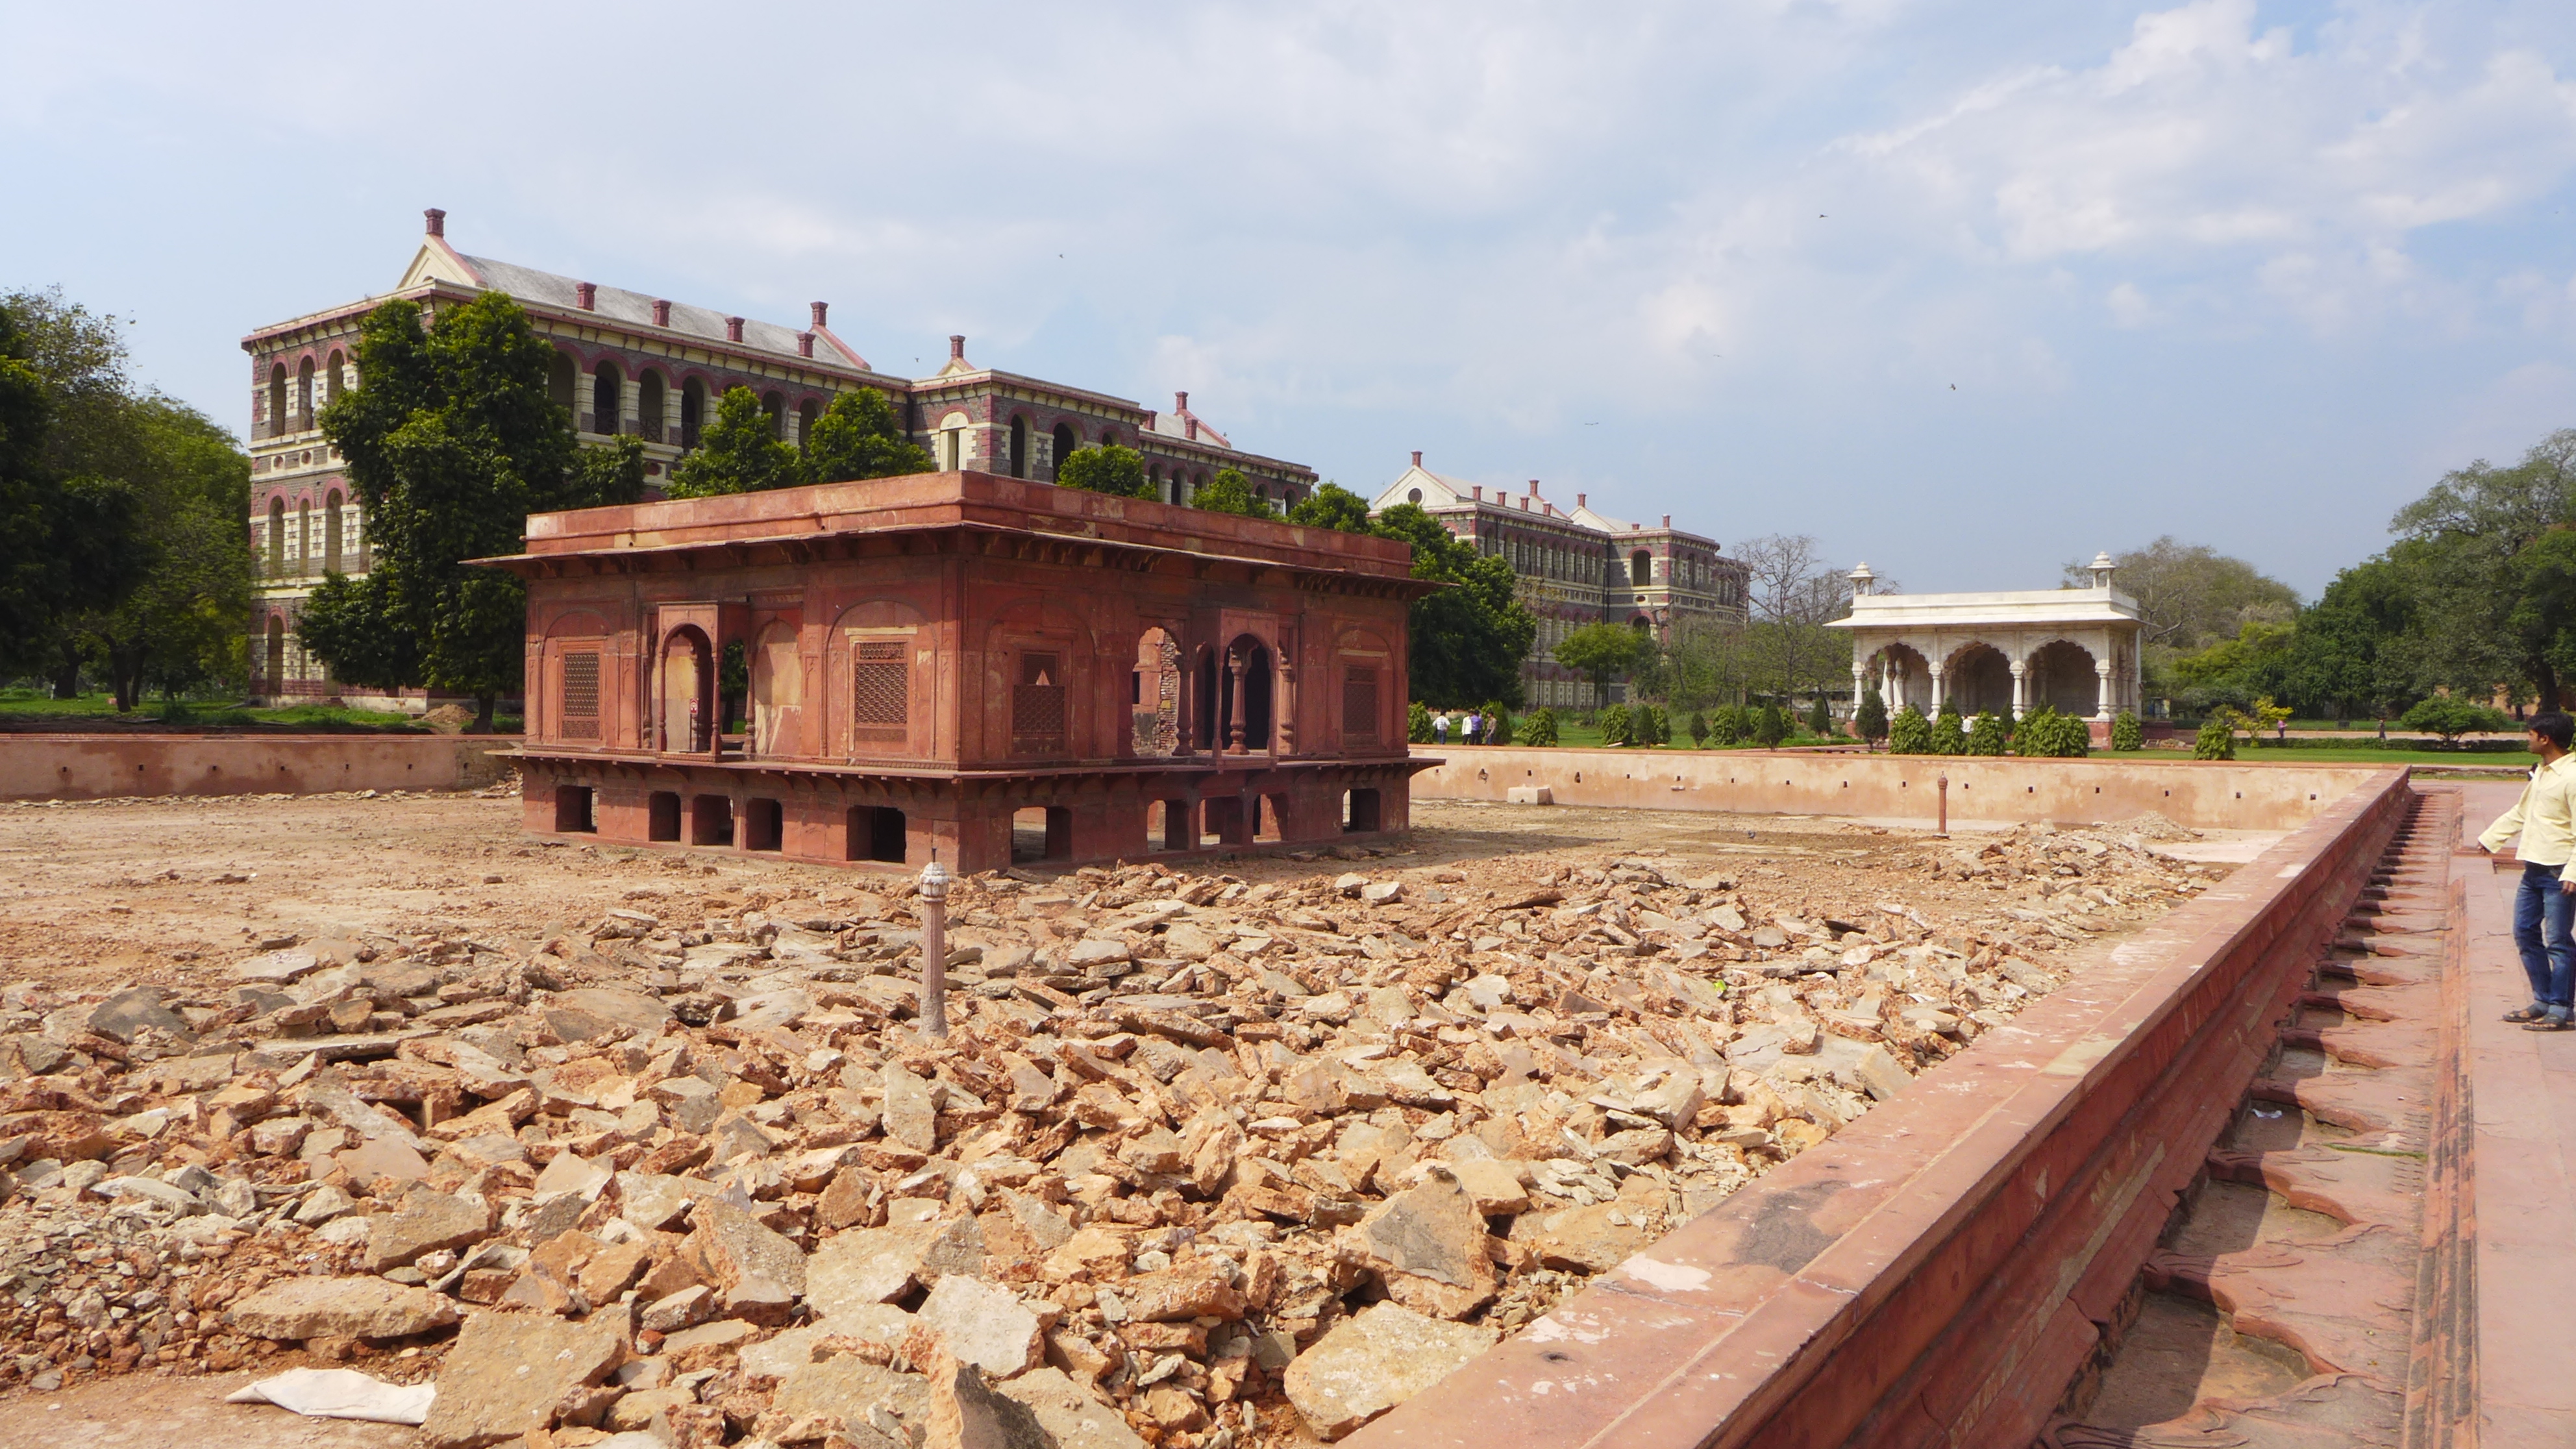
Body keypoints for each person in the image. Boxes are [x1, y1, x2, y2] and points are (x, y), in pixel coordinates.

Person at [2479, 710, 2576, 1030]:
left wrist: (2573, 871)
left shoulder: (2572, 777)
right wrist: (2490, 838)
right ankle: (2543, 1000)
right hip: (2534, 868)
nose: (2527, 739)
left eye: (2530, 734)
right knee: (2525, 932)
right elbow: (2522, 813)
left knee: (2558, 941)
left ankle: (2561, 1008)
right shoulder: (2544, 773)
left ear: (2545, 738)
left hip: (2559, 871)